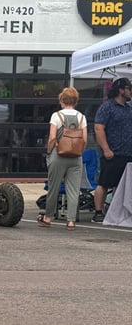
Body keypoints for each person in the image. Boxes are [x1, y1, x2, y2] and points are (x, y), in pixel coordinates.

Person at [37, 87, 87, 230]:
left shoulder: (56, 116)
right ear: (76, 101)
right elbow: (84, 139)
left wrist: (49, 150)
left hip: (58, 155)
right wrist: (79, 151)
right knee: (73, 189)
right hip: (76, 157)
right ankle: (71, 221)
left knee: (54, 187)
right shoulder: (81, 117)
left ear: (61, 100)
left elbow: (52, 137)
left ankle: (48, 217)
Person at [91, 77, 132, 223]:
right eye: (129, 89)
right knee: (104, 182)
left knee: (120, 185)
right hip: (112, 154)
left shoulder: (129, 109)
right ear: (121, 90)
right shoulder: (107, 107)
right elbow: (98, 128)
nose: (130, 92)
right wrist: (106, 149)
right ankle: (98, 212)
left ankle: (116, 212)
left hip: (127, 154)